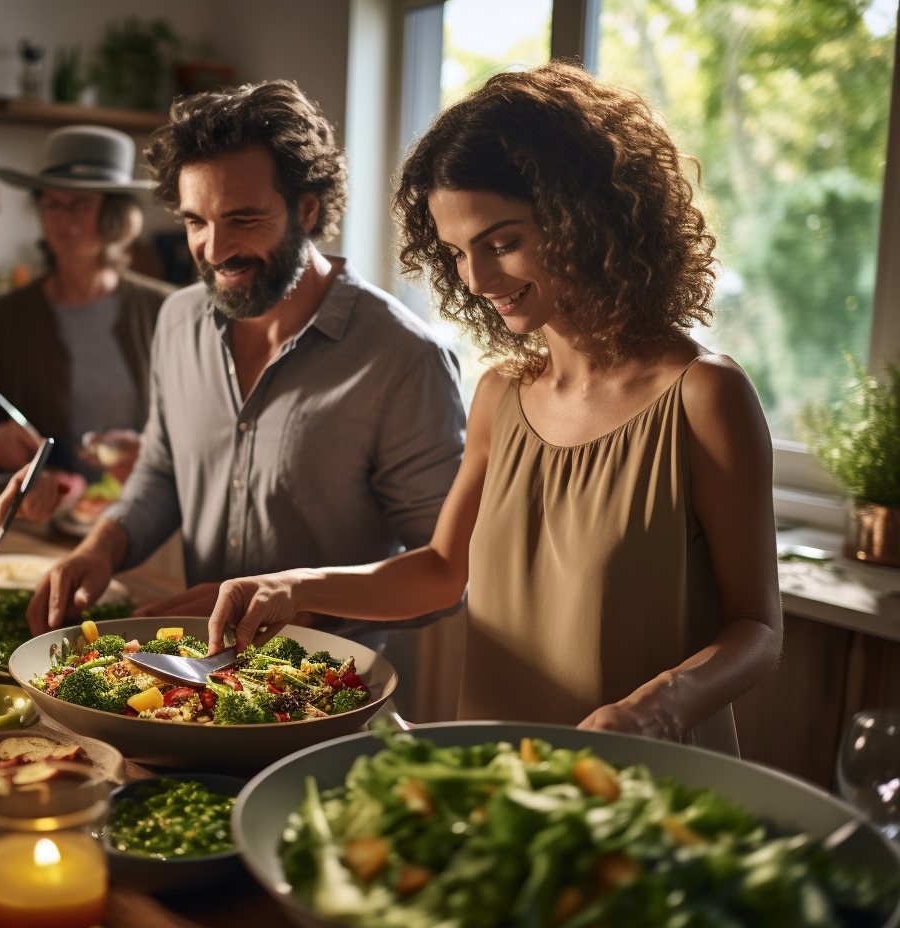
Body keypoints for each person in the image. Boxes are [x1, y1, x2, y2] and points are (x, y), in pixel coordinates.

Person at [206, 61, 783, 754]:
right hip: (500, 777)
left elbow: (758, 630)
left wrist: (657, 706)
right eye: (456, 253)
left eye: (501, 242)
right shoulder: (501, 395)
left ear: (588, 218)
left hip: (647, 782)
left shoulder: (703, 396)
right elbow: (440, 570)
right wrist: (290, 587)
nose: (477, 280)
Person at [1, 79, 467, 721]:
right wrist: (98, 550)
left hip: (320, 702)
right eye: (196, 221)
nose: (215, 251)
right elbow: (161, 471)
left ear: (306, 209)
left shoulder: (401, 359)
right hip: (181, 688)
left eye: (243, 219)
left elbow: (446, 574)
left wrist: (297, 602)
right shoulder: (178, 320)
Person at [0, 125, 174, 477]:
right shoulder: (10, 317)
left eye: (80, 205)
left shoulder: (166, 309)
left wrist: (152, 452)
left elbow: (201, 430)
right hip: (48, 516)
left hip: (151, 512)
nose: (63, 221)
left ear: (114, 215)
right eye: (52, 205)